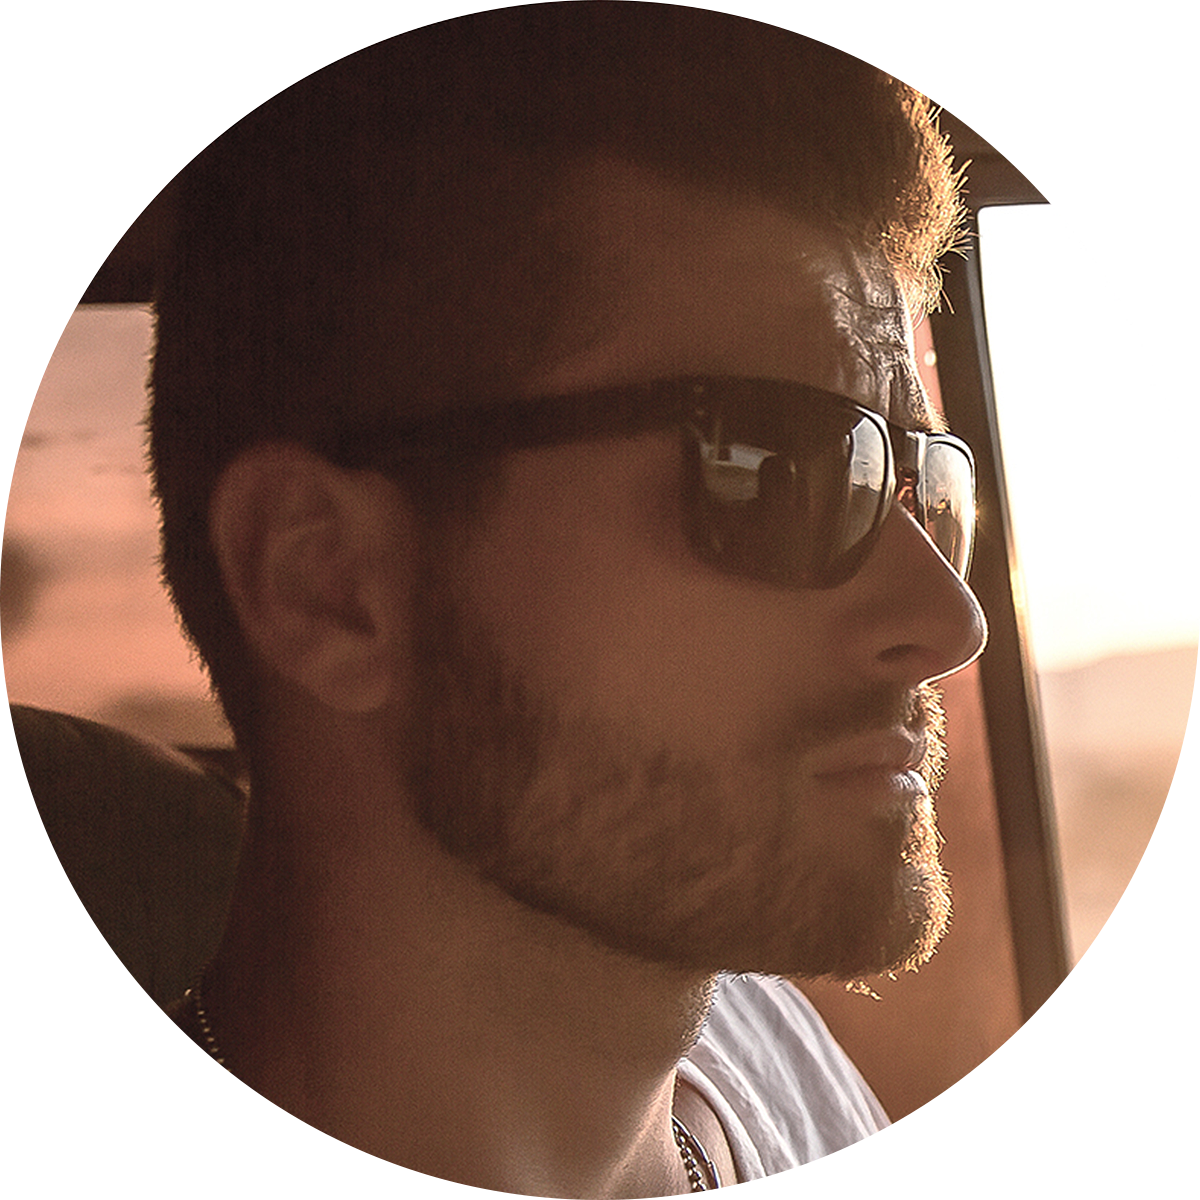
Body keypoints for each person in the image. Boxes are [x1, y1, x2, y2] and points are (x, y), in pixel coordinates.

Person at [150, 5, 986, 1196]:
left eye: (921, 486)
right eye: (777, 468)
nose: (950, 623)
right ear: (325, 584)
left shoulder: (765, 1052)